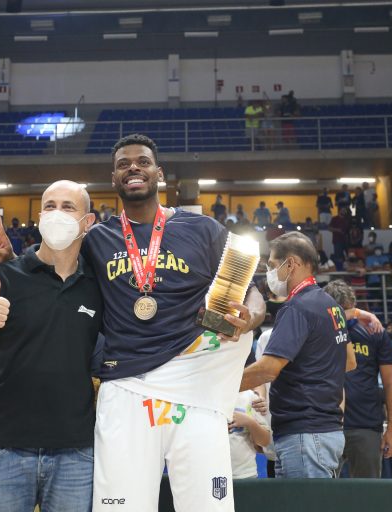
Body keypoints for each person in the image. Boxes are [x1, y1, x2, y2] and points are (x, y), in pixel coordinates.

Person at [86, 134, 265, 511]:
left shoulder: (203, 229)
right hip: (126, 386)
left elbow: (253, 292)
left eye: (143, 162)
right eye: (123, 164)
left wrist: (249, 317)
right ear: (113, 178)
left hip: (196, 384)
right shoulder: (96, 240)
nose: (133, 168)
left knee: (208, 507)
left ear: (159, 173)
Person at [0, 180, 103, 512]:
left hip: (75, 450)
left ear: (87, 222)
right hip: (5, 447)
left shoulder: (98, 286)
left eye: (68, 207)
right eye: (49, 206)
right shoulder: (4, 277)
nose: (57, 213)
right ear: (40, 217)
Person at [240, 232, 376, 479]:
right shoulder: (332, 306)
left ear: (291, 263)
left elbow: (268, 369)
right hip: (324, 430)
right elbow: (349, 362)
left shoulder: (297, 307)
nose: (269, 273)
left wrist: (223, 386)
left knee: (305, 500)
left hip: (304, 433)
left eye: (272, 265)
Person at [323, 281, 392, 478]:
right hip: (325, 424)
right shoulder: (320, 330)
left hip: (365, 424)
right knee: (322, 491)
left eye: (348, 310)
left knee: (367, 493)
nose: (344, 317)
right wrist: (357, 313)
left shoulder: (373, 331)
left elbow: (391, 383)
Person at [228, 388, 271, 479]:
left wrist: (249, 422)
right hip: (212, 473)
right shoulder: (205, 397)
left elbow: (265, 441)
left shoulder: (251, 397)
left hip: (245, 474)